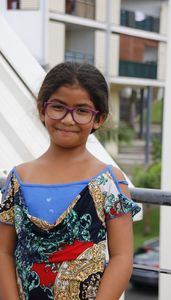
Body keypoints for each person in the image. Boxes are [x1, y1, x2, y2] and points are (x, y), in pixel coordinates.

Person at [0, 61, 140, 300]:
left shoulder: (109, 181)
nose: (67, 119)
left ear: (99, 118)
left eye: (82, 110)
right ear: (42, 109)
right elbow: (3, 252)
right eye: (58, 107)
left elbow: (122, 258)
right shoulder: (18, 179)